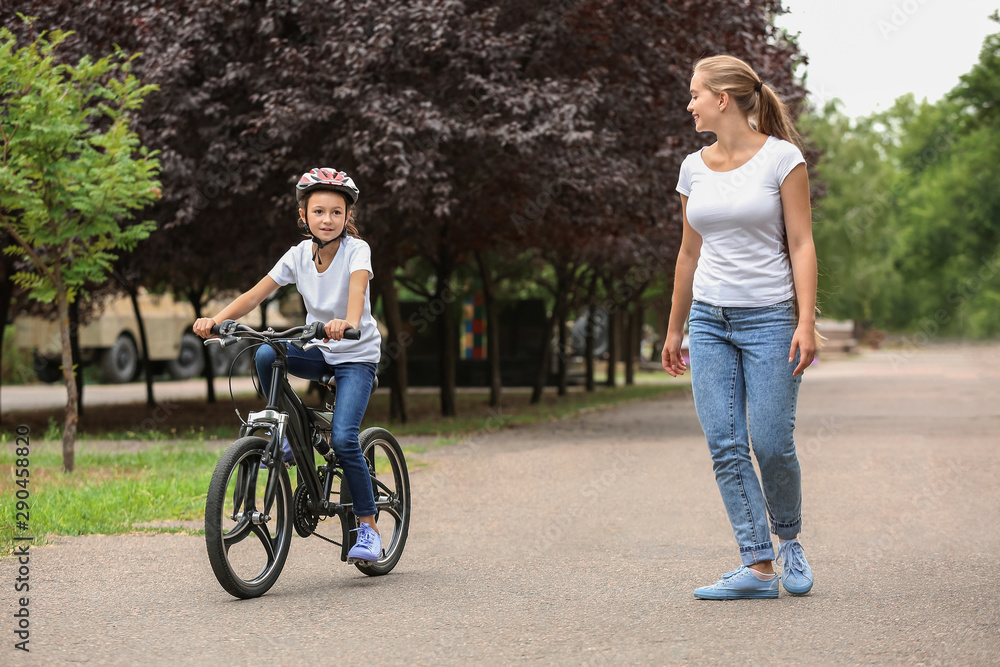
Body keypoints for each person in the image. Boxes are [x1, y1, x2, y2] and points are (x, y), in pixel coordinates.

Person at [661, 55, 817, 599]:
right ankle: (757, 566)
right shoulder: (692, 167)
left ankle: (789, 538)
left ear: (722, 99)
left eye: (695, 93)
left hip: (771, 319)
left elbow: (800, 242)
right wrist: (675, 327)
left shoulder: (781, 159)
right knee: (725, 444)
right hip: (708, 320)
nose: (690, 104)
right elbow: (687, 253)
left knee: (771, 442)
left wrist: (805, 320)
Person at [193, 167, 384, 565]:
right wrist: (216, 320)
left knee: (346, 440)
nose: (327, 219)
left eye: (336, 212)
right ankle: (289, 433)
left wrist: (346, 323)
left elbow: (358, 288)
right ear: (304, 216)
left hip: (354, 355)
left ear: (348, 216)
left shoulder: (357, 250)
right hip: (319, 349)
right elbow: (255, 294)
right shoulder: (297, 255)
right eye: (318, 211)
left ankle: (369, 527)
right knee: (265, 352)